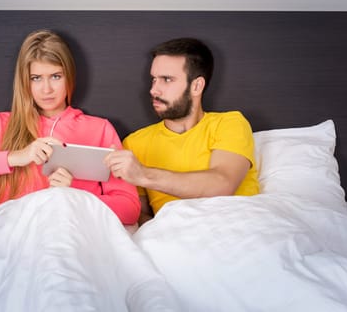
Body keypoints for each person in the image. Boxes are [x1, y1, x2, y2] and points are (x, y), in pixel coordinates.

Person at [0, 29, 140, 225]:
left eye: (56, 76)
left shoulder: (99, 129)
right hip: (13, 235)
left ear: (69, 76)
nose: (46, 89)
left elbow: (130, 209)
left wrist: (74, 197)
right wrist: (16, 157)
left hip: (69, 231)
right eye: (36, 78)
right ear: (25, 81)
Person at [104, 37, 260, 225]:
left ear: (196, 86)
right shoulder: (135, 143)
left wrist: (144, 174)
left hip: (236, 228)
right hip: (175, 238)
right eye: (153, 79)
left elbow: (222, 183)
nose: (154, 90)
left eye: (167, 80)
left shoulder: (230, 124)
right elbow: (140, 214)